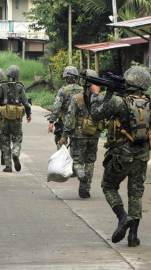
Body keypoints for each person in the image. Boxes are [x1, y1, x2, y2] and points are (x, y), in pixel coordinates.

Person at [90, 66, 151, 246]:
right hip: (141, 156)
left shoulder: (119, 102)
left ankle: (122, 217)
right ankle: (133, 236)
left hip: (120, 156)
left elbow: (96, 115)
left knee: (108, 186)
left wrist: (102, 95)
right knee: (135, 194)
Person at [59, 69, 103, 199]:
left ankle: (81, 175)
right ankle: (85, 189)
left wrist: (64, 135)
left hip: (79, 134)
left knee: (77, 161)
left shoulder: (76, 98)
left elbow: (69, 117)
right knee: (90, 162)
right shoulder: (100, 99)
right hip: (94, 133)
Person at [0, 65, 31, 173]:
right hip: (16, 118)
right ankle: (15, 153)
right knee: (17, 137)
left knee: (5, 140)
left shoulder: (2, 86)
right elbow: (26, 104)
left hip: (4, 118)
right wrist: (28, 114)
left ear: (7, 74)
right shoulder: (20, 87)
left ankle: (8, 166)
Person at [48, 66, 83, 150]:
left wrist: (51, 121)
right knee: (76, 145)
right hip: (79, 122)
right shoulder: (83, 90)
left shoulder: (63, 90)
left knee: (60, 141)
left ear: (66, 78)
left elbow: (56, 107)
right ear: (76, 78)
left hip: (64, 121)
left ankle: (62, 159)